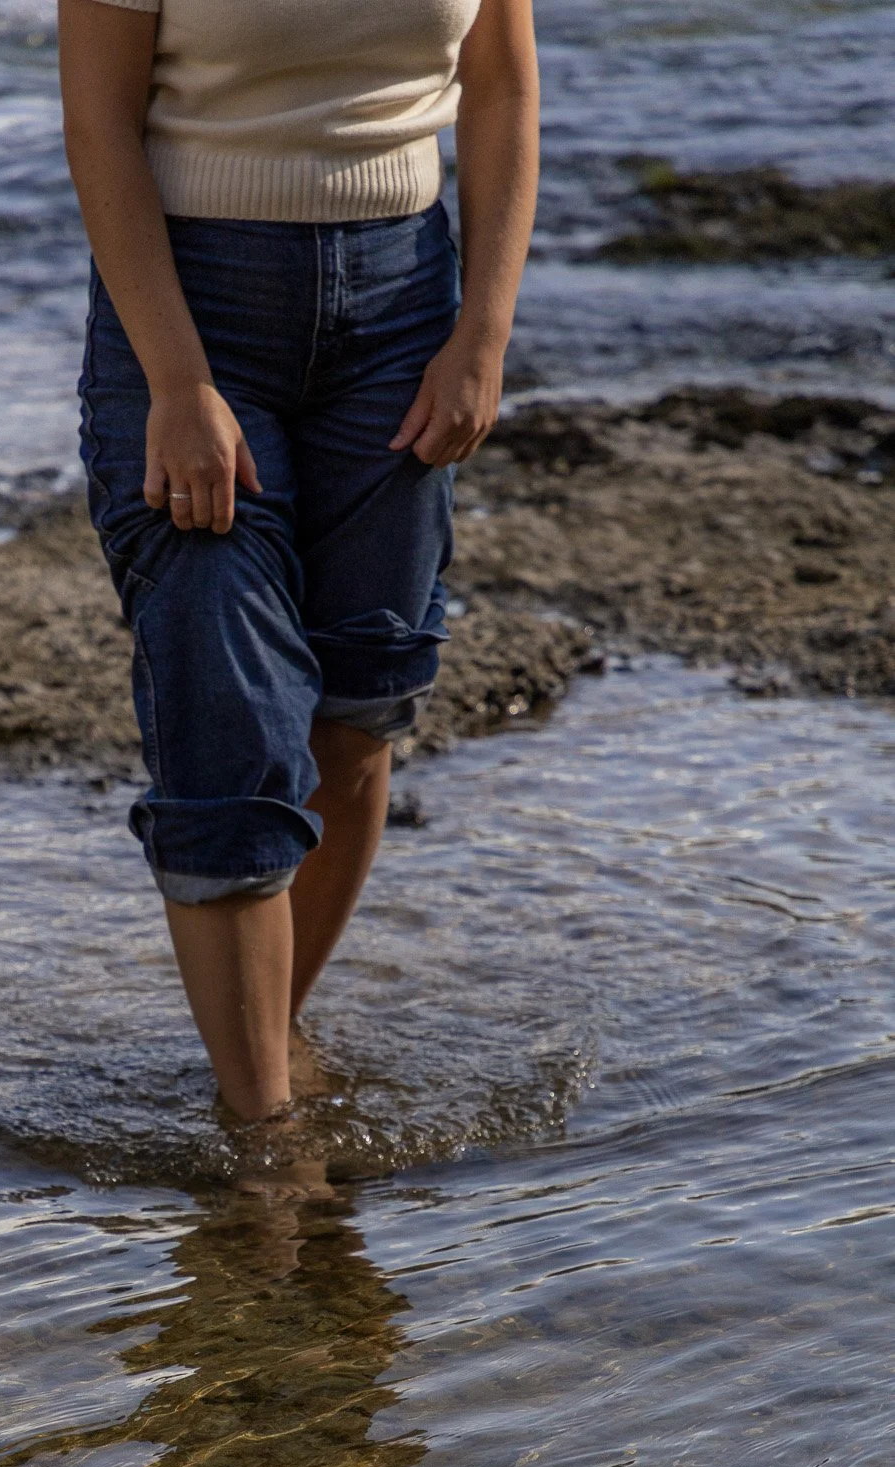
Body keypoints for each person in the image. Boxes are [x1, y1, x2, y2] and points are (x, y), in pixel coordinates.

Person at [60, 0, 539, 1122]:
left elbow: (504, 85)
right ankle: (267, 1141)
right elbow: (99, 126)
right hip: (191, 306)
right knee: (226, 716)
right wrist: (178, 382)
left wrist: (485, 332)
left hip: (405, 308)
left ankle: (264, 1045)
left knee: (358, 702)